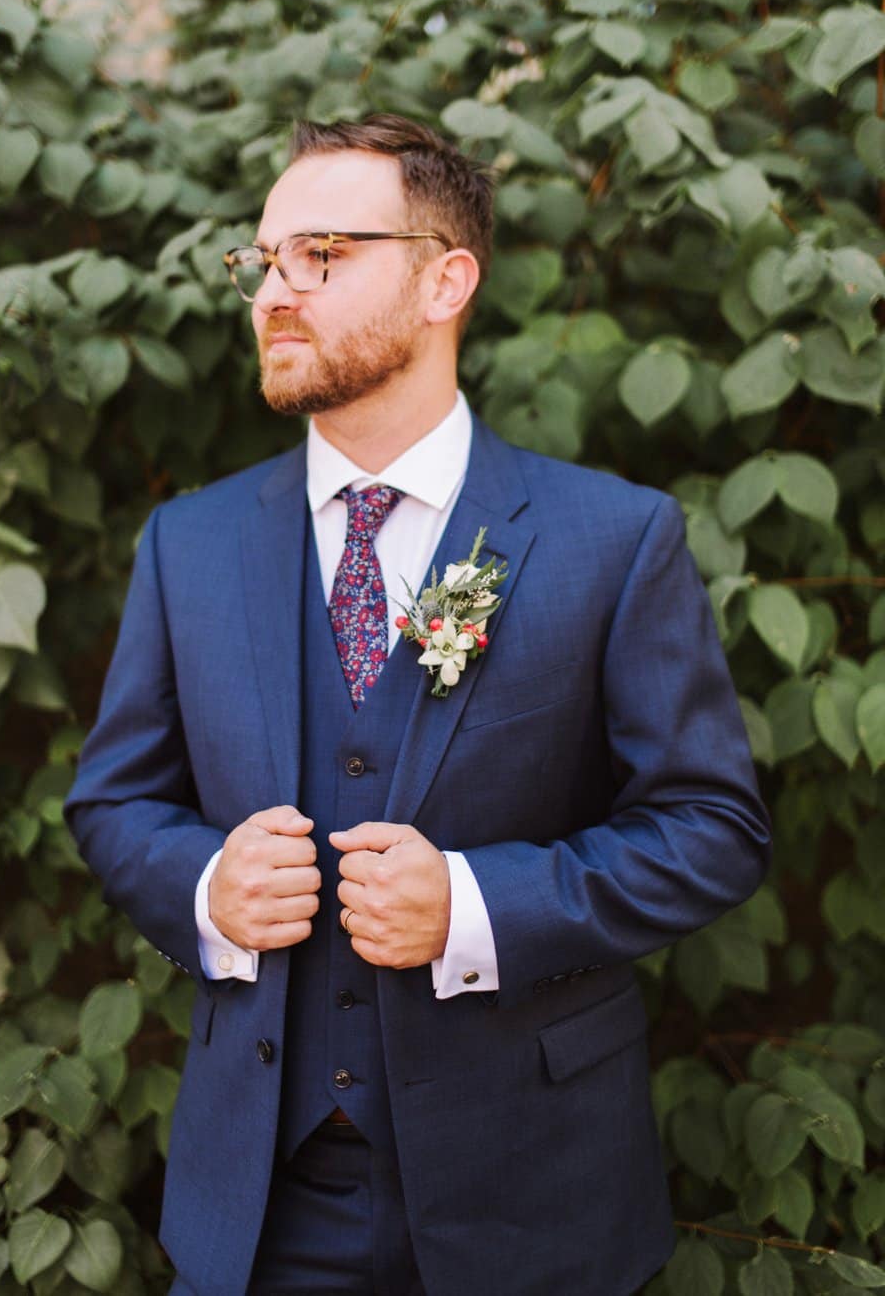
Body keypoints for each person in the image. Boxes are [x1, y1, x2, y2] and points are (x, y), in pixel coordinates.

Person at [61, 113, 771, 1296]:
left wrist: (479, 906)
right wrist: (205, 887)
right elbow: (116, 798)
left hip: (533, 1203)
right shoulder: (188, 543)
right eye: (264, 261)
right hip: (261, 1211)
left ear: (447, 279)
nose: (275, 291)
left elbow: (713, 829)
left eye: (323, 256)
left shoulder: (612, 539)